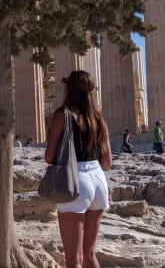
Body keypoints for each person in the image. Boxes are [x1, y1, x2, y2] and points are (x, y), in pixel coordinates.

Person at [45, 70, 112, 268]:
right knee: (90, 253)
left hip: (75, 181)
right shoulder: (99, 119)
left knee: (74, 259)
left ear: (69, 88)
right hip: (99, 181)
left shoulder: (62, 115)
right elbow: (107, 163)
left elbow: (48, 157)